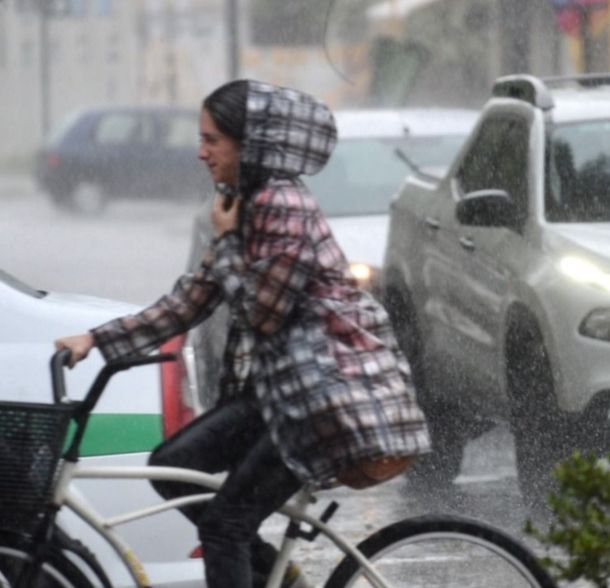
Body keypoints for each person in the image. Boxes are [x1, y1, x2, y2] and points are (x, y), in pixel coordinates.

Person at [55, 79, 430, 588]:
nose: (200, 152)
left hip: (320, 402)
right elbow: (191, 299)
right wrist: (96, 340)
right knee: (172, 468)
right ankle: (278, 577)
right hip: (279, 395)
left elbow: (262, 314)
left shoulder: (284, 206)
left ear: (248, 143)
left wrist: (228, 241)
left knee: (224, 526)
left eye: (212, 140)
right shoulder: (246, 201)